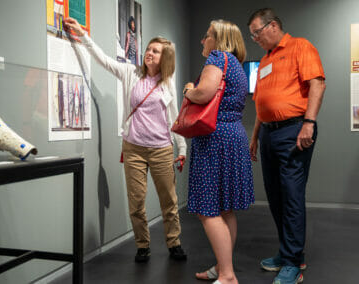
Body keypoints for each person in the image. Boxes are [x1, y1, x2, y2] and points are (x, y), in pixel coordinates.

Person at [63, 17, 187, 263]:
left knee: (169, 201)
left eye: (155, 51)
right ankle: (143, 245)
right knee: (136, 200)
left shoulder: (168, 84)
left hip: (162, 149)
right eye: (149, 49)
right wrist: (82, 35)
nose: (149, 53)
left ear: (165, 58)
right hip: (134, 149)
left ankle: (174, 243)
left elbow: (176, 119)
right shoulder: (131, 72)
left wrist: (181, 148)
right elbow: (102, 59)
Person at [247, 8, 326, 284]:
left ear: (273, 26)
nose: (254, 38)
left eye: (256, 32)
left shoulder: (299, 46)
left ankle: (293, 262)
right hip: (269, 133)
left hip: (294, 129)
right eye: (252, 35)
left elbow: (317, 84)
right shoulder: (265, 61)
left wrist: (309, 123)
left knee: (291, 195)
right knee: (275, 195)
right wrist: (255, 136)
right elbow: (261, 103)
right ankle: (288, 251)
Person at [184, 20, 254, 284]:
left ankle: (227, 275)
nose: (203, 41)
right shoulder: (235, 64)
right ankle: (222, 266)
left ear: (219, 39)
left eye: (207, 35)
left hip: (214, 138)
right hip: (233, 135)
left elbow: (203, 93)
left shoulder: (217, 57)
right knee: (226, 209)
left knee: (207, 209)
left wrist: (189, 89)